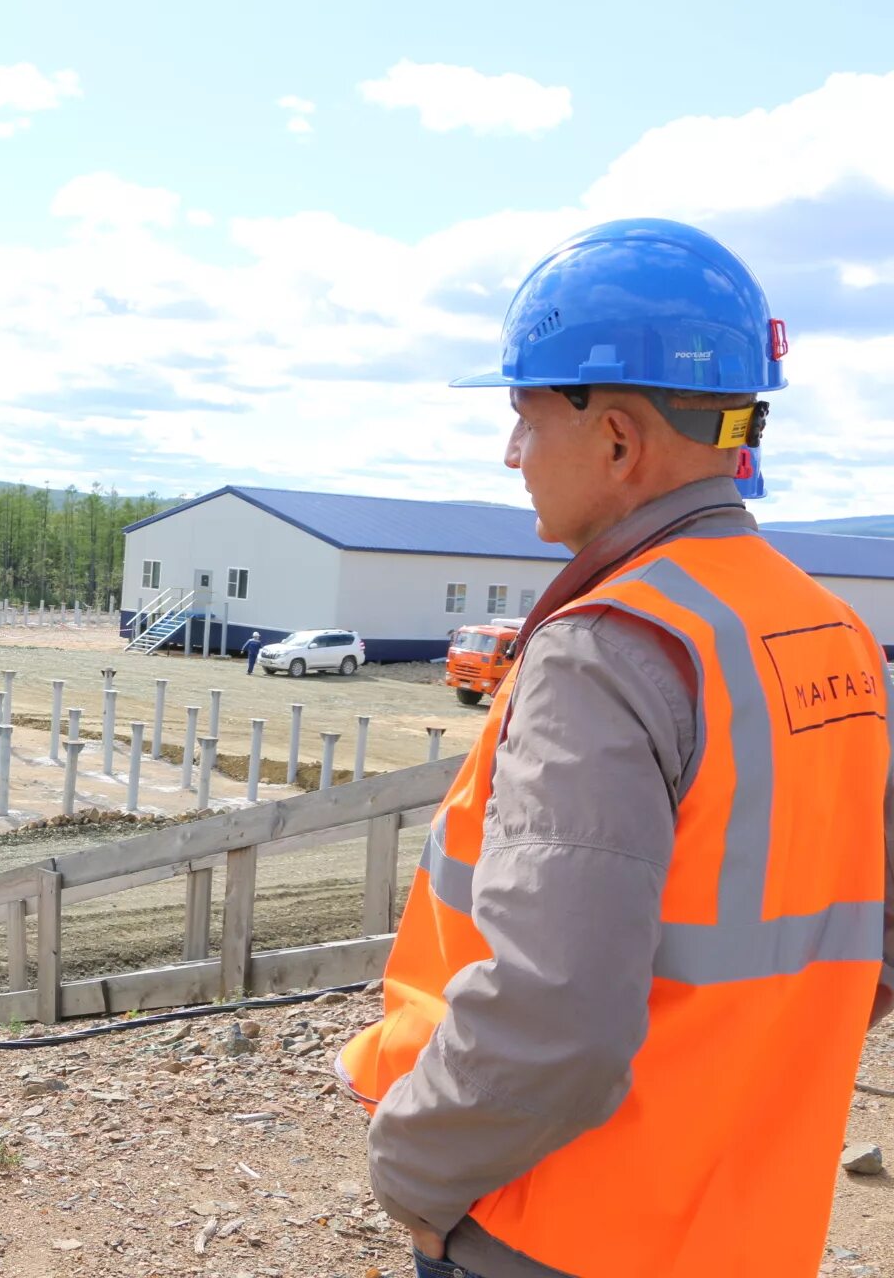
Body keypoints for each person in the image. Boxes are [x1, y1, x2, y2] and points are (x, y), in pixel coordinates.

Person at [337, 219, 893, 1278]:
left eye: (523, 414)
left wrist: (411, 1169)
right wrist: (745, 1062)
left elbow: (561, 1011)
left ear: (620, 438)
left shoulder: (610, 650)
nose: (512, 453)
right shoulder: (834, 633)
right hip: (751, 1226)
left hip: (561, 1232)